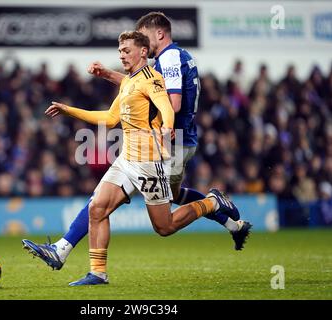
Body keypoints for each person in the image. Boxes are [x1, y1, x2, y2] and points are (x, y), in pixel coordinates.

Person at [22, 12, 252, 273]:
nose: (129, 51)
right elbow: (136, 89)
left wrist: (165, 126)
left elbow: (169, 101)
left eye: (144, 37)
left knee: (163, 223)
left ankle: (214, 202)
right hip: (163, 144)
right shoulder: (163, 64)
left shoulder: (170, 58)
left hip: (168, 144)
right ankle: (232, 223)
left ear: (159, 35)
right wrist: (107, 77)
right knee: (133, 200)